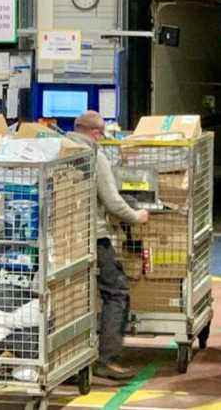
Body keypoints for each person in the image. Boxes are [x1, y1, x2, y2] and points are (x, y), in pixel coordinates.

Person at [69, 111, 149, 381]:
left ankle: (70, 357)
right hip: (95, 237)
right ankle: (108, 359)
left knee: (73, 298)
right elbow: (113, 202)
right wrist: (136, 216)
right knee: (117, 292)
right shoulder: (95, 156)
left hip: (65, 239)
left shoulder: (61, 149)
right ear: (95, 133)